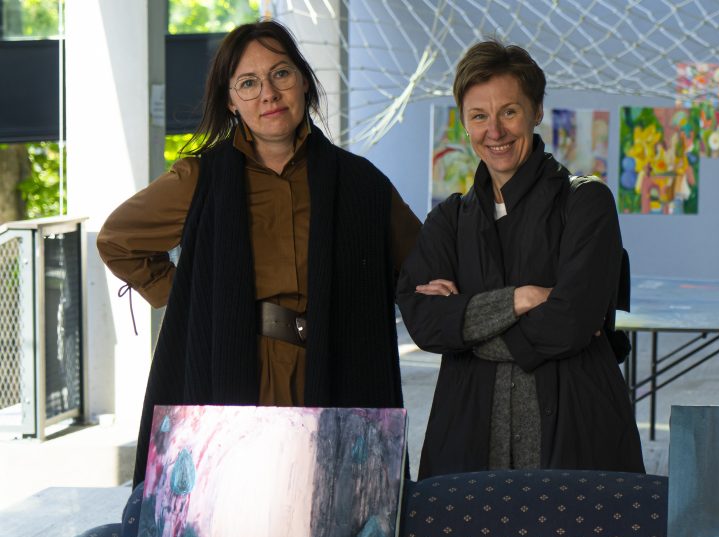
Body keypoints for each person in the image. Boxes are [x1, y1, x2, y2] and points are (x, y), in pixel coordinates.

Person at [97, 18, 421, 488]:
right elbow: (118, 240)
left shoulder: (361, 182)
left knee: (326, 512)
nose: (268, 93)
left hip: (335, 367)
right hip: (235, 364)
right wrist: (193, 301)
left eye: (280, 74)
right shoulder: (200, 180)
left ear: (303, 82)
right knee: (234, 514)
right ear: (231, 101)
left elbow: (420, 265)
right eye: (248, 83)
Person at [397, 40, 644, 480]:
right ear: (464, 123)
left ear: (536, 111)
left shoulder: (587, 203)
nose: (494, 131)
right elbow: (424, 322)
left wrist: (467, 326)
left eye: (509, 112)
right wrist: (521, 299)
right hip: (467, 433)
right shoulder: (449, 220)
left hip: (577, 430)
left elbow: (570, 323)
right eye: (479, 116)